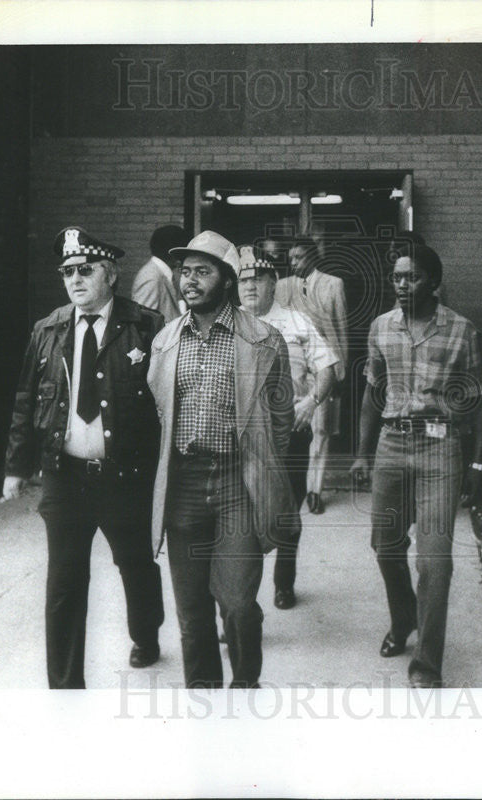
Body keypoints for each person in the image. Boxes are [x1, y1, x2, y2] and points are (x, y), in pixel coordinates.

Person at [3, 226, 165, 689]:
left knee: (135, 563)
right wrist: (16, 466)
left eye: (85, 270)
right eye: (67, 272)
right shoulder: (48, 329)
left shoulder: (146, 326)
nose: (75, 280)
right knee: (64, 583)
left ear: (110, 275)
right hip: (65, 477)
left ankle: (146, 634)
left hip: (125, 476)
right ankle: (65, 686)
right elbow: (25, 398)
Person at [147, 230, 298, 688]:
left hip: (238, 481)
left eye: (202, 271)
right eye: (184, 271)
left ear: (228, 280)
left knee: (236, 604)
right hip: (184, 485)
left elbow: (282, 421)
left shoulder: (265, 340)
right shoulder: (164, 342)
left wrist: (259, 466)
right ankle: (205, 709)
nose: (188, 280)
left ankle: (245, 688)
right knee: (192, 615)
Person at [349, 244, 482, 689]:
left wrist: (478, 463)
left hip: (440, 449)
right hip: (392, 443)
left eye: (411, 277)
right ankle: (404, 617)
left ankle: (427, 664)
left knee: (436, 563)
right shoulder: (380, 328)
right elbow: (373, 394)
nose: (402, 285)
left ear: (433, 281)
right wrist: (361, 452)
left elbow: (481, 400)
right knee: (386, 546)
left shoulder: (461, 331)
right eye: (397, 278)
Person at [236, 245, 339, 610]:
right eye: (243, 279)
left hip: (289, 434)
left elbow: (327, 368)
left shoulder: (297, 322)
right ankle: (242, 597)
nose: (250, 286)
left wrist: (312, 402)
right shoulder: (225, 324)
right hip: (242, 437)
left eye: (257, 279)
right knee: (241, 517)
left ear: (272, 283)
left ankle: (284, 582)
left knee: (288, 512)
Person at [274, 238, 348, 514]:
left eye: (300, 258)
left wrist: (341, 369)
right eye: (291, 258)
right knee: (293, 425)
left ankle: (315, 489)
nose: (294, 263)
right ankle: (293, 483)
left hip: (323, 364)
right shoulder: (281, 286)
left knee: (321, 427)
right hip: (293, 366)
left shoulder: (333, 284)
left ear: (313, 258)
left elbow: (341, 328)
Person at [131, 223, 190, 322]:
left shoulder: (160, 274)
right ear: (172, 252)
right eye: (181, 253)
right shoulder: (151, 277)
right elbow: (142, 325)